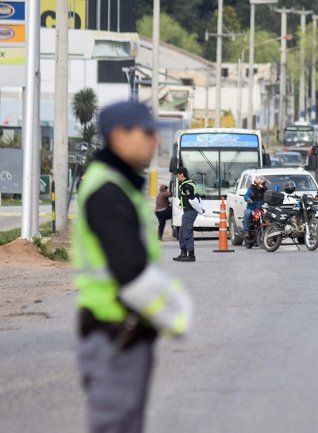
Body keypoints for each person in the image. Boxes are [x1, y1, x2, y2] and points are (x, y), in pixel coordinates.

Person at [72, 101, 192, 433]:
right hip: (113, 334)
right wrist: (175, 315)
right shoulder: (107, 190)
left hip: (125, 333)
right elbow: (130, 270)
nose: (154, 140)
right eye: (147, 132)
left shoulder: (119, 185)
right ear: (120, 137)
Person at [174, 167, 197, 262]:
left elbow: (191, 196)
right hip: (187, 211)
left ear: (181, 174)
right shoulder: (184, 184)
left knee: (187, 232)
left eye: (177, 174)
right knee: (181, 233)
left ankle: (191, 255)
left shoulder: (187, 185)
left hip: (190, 211)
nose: (176, 176)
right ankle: (183, 253)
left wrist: (187, 192)